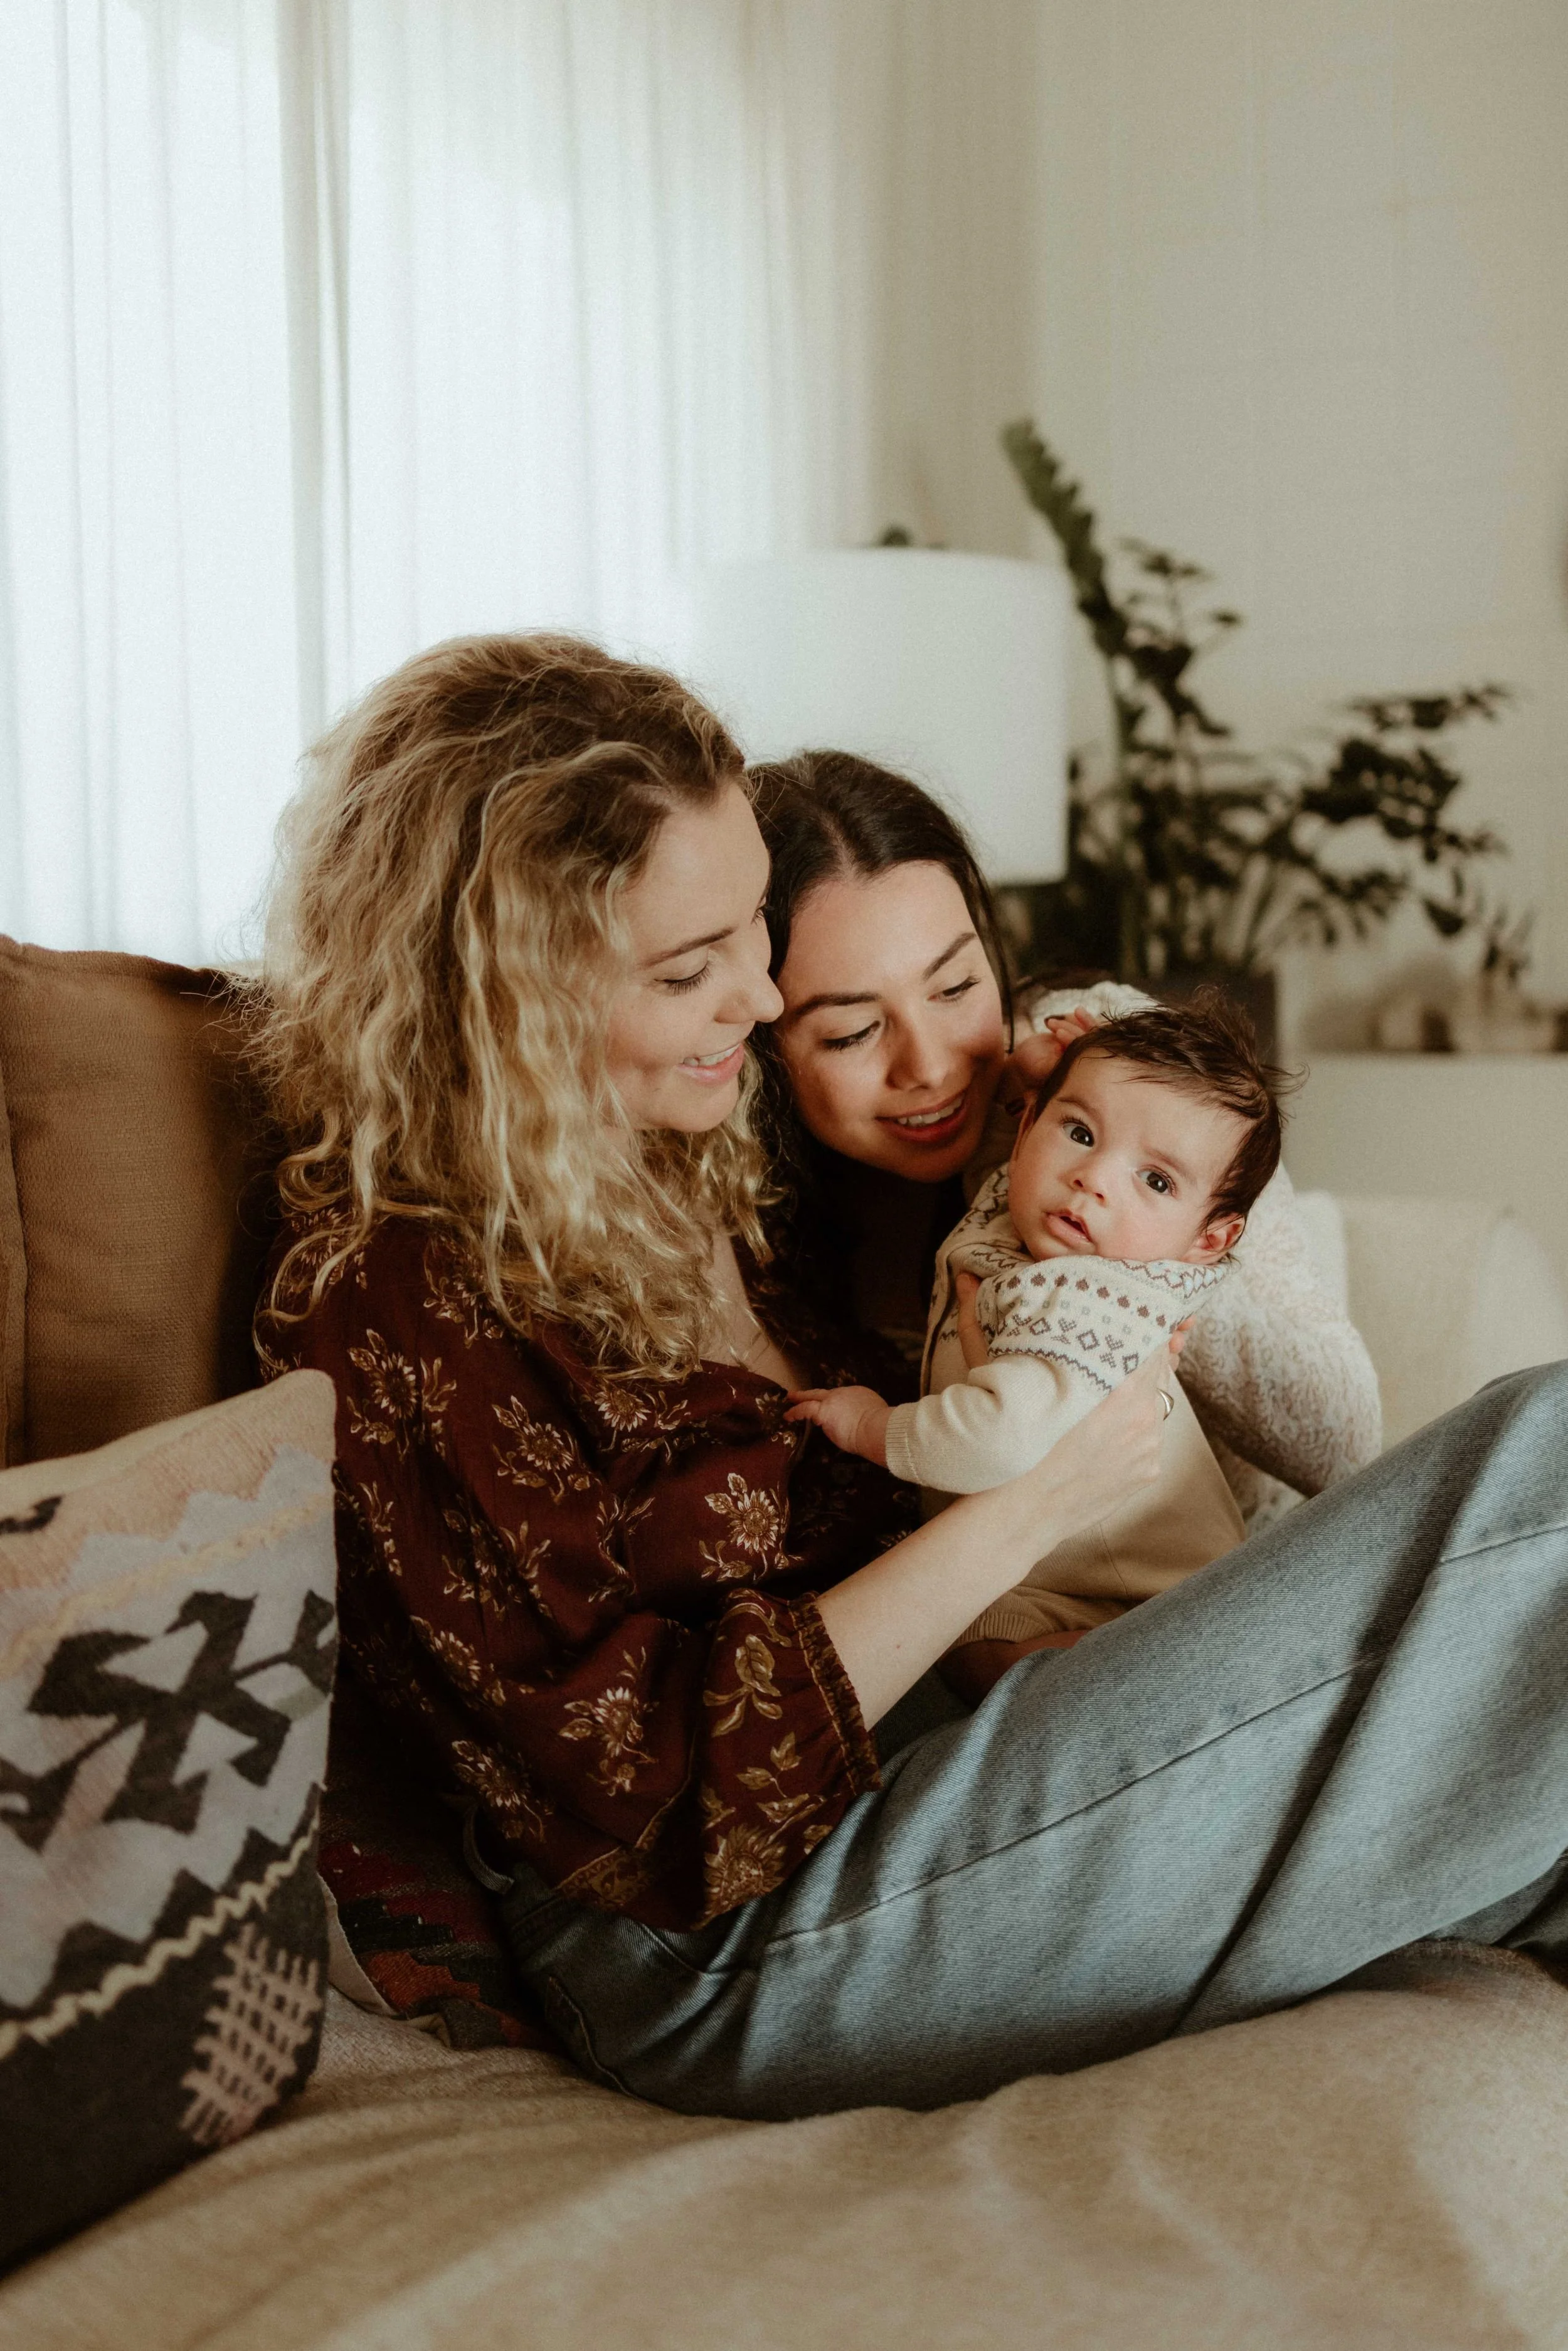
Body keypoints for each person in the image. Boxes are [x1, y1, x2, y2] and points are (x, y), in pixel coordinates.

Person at [258, 643, 1568, 2125]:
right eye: (695, 969)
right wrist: (1019, 1516)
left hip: (961, 1763)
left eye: (751, 935)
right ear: (506, 996)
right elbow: (650, 1808)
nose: (756, 998)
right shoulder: (400, 1300)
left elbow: (1263, 1389)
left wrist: (1102, 1127)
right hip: (730, 1940)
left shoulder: (717, 1171)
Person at [786, 995, 1285, 1696]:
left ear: (1207, 1240)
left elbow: (995, 1440)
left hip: (1145, 1600)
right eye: (1079, 1132)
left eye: (1156, 1179)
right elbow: (1009, 1174)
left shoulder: (1086, 1297)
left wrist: (873, 1426)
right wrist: (1038, 1078)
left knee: (1020, 1683)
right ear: (1027, 1127)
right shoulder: (1034, 1222)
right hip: (1049, 1578)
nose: (1094, 1178)